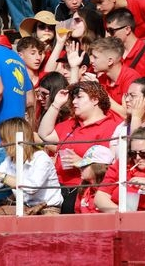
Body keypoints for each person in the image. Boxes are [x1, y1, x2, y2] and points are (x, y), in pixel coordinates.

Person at [37, 81, 121, 213]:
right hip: (57, 189)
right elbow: (44, 134)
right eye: (73, 98)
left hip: (82, 191)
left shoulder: (112, 126)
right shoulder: (72, 123)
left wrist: (81, 162)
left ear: (95, 100)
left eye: (79, 97)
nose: (74, 102)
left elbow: (109, 165)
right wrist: (57, 104)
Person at [0, 117, 62, 214]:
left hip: (48, 209)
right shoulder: (10, 160)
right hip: (24, 207)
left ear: (13, 140)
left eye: (4, 140)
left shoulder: (41, 158)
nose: (1, 144)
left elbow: (31, 188)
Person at [89, 37, 140, 117]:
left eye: (95, 57)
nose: (91, 61)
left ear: (110, 61)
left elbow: (126, 114)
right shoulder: (102, 79)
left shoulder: (131, 78)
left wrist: (100, 91)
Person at [104, 8, 145, 77]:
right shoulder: (111, 53)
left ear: (127, 29)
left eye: (111, 31)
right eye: (107, 31)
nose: (108, 35)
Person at [74, 144, 114, 213]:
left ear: (98, 167)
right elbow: (77, 213)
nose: (80, 168)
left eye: (85, 165)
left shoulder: (113, 190)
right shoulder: (83, 189)